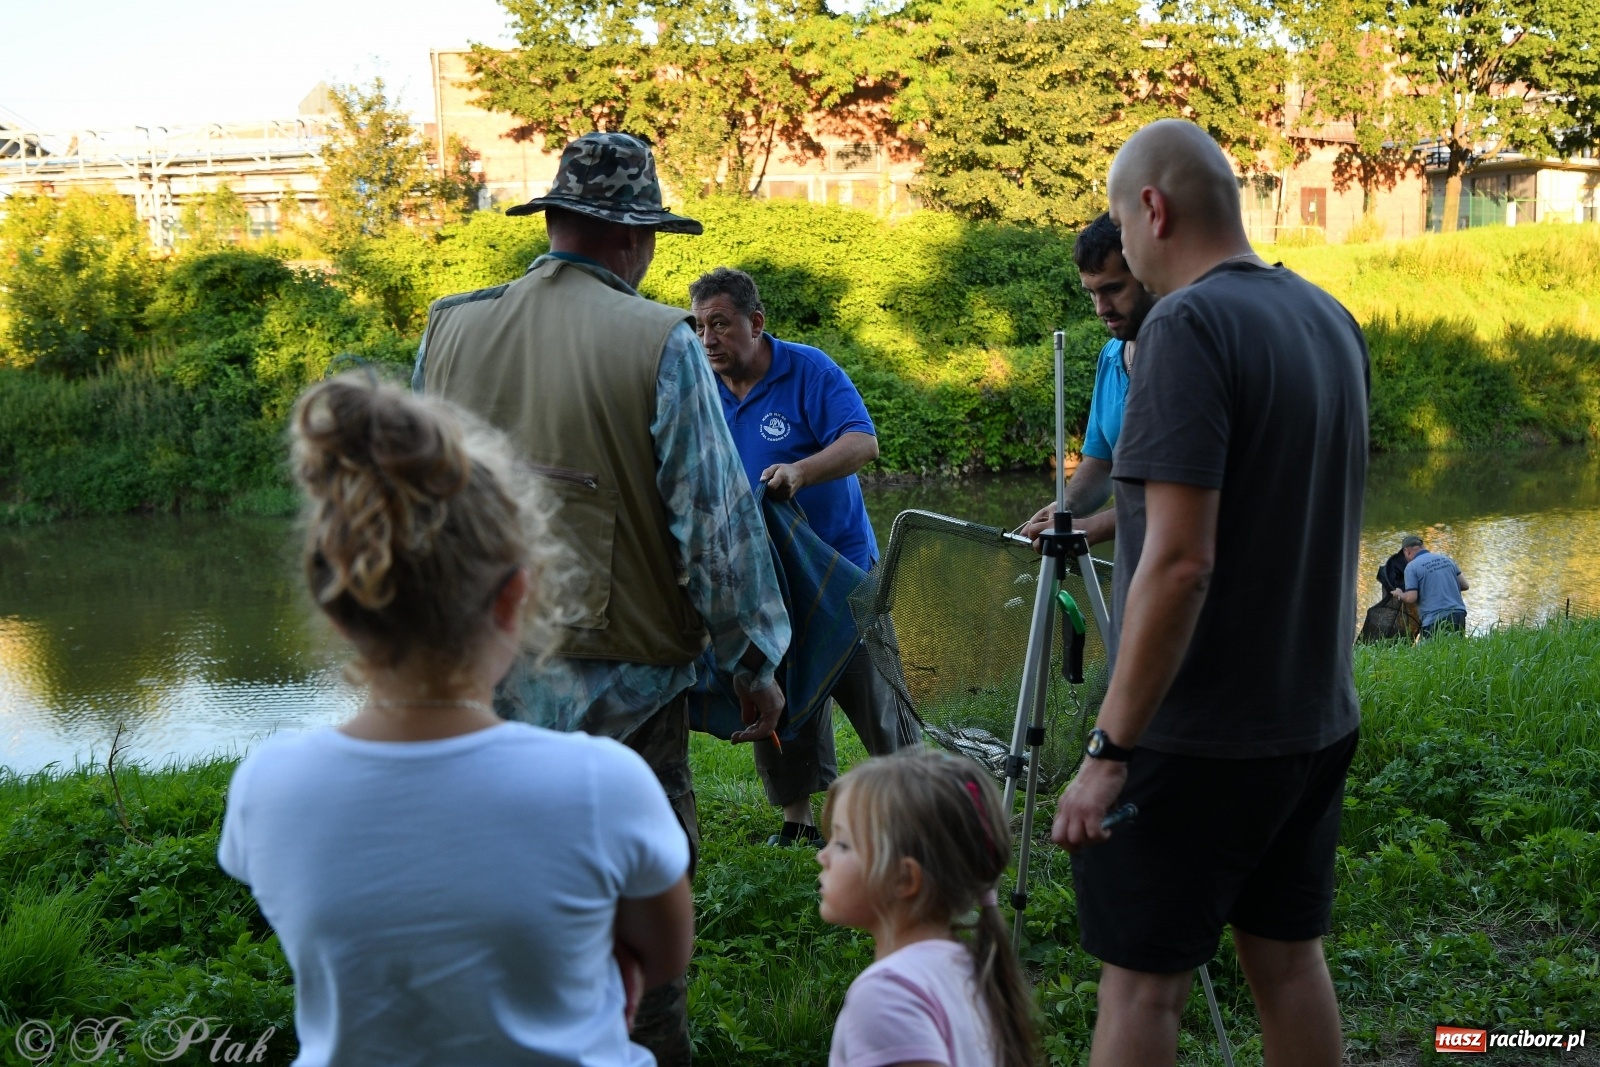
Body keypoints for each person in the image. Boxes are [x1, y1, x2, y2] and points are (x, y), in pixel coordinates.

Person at [413, 131, 790, 1066]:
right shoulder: (660, 338)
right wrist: (755, 663)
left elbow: (419, 510)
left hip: (482, 688)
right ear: (632, 238)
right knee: (637, 915)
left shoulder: (450, 327)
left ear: (556, 223)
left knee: (508, 902)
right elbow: (716, 524)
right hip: (626, 704)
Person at [219, 376, 695, 1067]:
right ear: (514, 598)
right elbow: (664, 950)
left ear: (337, 607)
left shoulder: (269, 784)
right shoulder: (601, 781)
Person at [1051, 119, 1369, 1067]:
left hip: (1198, 734)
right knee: (1287, 961)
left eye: (1121, 221)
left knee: (1143, 989)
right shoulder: (1326, 316)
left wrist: (1111, 748)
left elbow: (1183, 563)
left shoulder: (1186, 325)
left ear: (1151, 208)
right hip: (1312, 719)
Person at [688, 266, 914, 847]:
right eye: (699, 326)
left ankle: (921, 804)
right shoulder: (700, 387)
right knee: (776, 695)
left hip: (842, 569)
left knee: (877, 700)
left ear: (756, 323)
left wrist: (799, 470)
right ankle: (797, 821)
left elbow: (863, 440)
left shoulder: (807, 368)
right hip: (763, 581)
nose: (708, 338)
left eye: (721, 323)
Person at [819, 748, 1039, 1067]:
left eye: (841, 844)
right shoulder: (971, 971)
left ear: (903, 878)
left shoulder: (887, 996)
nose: (822, 856)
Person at [1021, 212, 1159, 547]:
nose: (1101, 308)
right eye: (1092, 293)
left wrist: (1091, 529)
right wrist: (1064, 510)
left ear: (1147, 274)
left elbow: (1181, 494)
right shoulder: (1110, 355)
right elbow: (1102, 461)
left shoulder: (1184, 356)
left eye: (1112, 289)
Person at [1398, 535, 1470, 635]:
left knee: (1432, 650)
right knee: (1456, 649)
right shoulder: (1446, 559)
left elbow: (1411, 598)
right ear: (1422, 546)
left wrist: (1400, 594)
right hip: (1458, 614)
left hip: (1434, 618)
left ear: (1407, 551)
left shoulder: (1412, 567)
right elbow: (1465, 585)